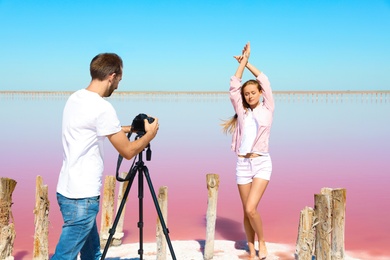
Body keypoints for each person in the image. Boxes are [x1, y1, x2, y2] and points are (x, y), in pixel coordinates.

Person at [52, 53, 159, 260]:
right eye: (119, 79)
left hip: (66, 191)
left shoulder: (76, 98)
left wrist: (133, 128)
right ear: (112, 75)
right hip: (82, 197)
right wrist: (151, 134)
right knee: (64, 256)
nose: (118, 85)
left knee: (92, 254)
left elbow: (98, 127)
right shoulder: (102, 107)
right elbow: (128, 152)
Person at [222, 42, 274, 259]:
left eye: (253, 92)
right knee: (246, 211)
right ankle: (251, 249)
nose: (250, 96)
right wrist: (240, 66)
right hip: (242, 164)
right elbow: (234, 86)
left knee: (251, 208)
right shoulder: (242, 112)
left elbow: (265, 79)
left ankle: (262, 242)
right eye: (247, 94)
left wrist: (247, 61)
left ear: (260, 93)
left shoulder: (268, 107)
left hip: (261, 162)